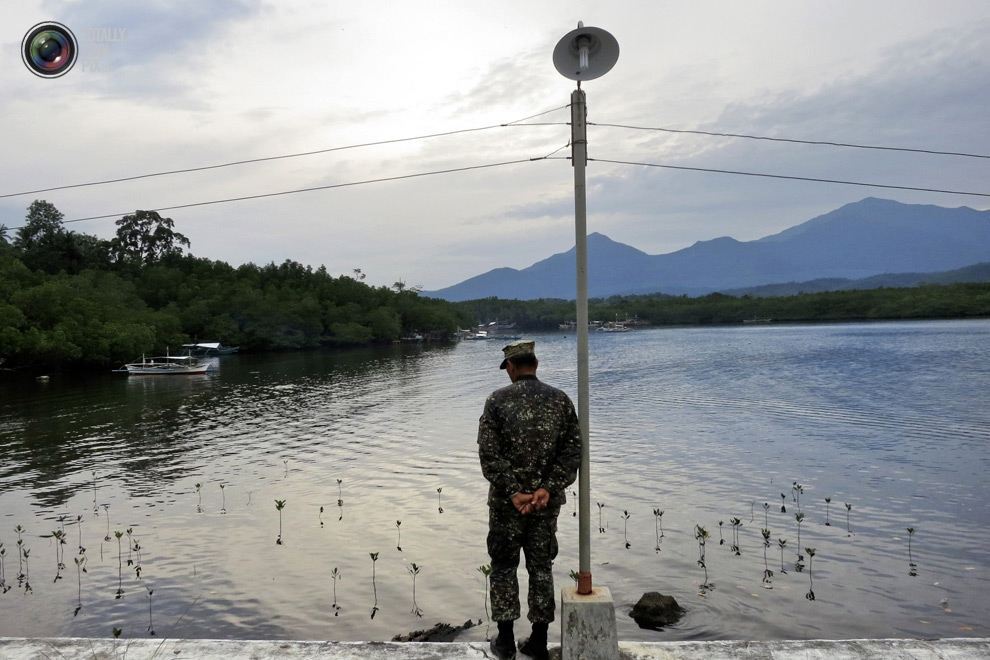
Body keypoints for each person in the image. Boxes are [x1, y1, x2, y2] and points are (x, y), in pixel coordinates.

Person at [478, 340, 582, 660]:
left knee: (504, 566)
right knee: (540, 567)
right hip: (544, 505)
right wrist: (546, 489)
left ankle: (506, 641)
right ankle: (538, 642)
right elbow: (572, 451)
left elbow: (489, 454)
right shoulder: (561, 400)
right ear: (535, 365)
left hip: (507, 505)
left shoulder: (496, 401)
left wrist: (513, 491)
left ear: (511, 367)